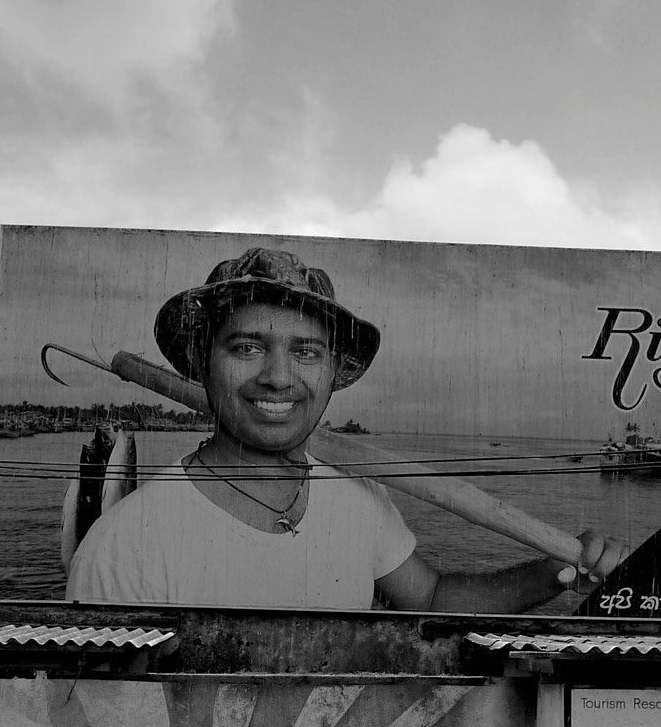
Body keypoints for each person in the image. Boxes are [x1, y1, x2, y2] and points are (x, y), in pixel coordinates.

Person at [67, 246, 627, 611]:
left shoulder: (355, 492)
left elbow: (430, 600)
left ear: (334, 373)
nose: (279, 378)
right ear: (202, 361)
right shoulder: (125, 551)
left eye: (305, 351)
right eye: (247, 347)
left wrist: (555, 569)